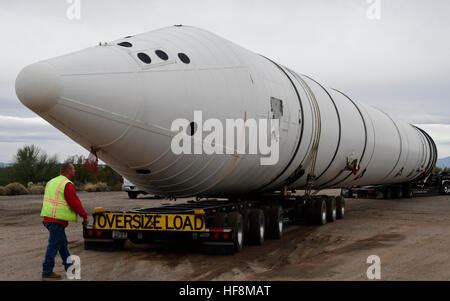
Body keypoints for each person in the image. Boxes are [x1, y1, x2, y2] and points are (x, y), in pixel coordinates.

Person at [40, 162, 88, 280]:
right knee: (54, 244)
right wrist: (84, 216)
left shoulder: (51, 182)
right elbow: (74, 203)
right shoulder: (67, 184)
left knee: (62, 244)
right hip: (56, 219)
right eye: (74, 169)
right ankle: (47, 271)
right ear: (68, 170)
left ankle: (69, 267)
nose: (75, 171)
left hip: (48, 218)